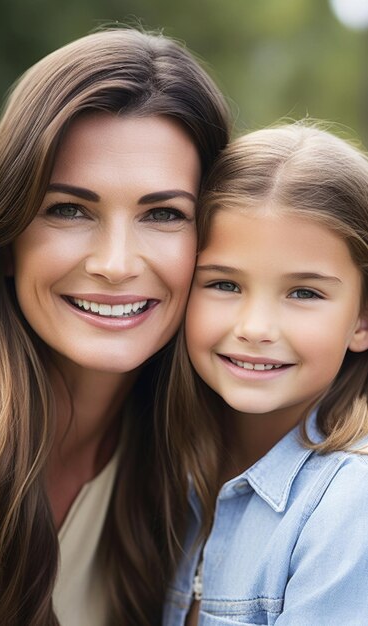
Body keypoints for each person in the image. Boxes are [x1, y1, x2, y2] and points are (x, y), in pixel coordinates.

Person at [0, 27, 230, 626]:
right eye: (68, 209)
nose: (115, 263)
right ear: (6, 240)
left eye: (163, 214)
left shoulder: (203, 438)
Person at [162, 122, 368, 625]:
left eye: (304, 293)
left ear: (362, 319)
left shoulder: (349, 503)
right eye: (224, 284)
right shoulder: (170, 466)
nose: (255, 328)